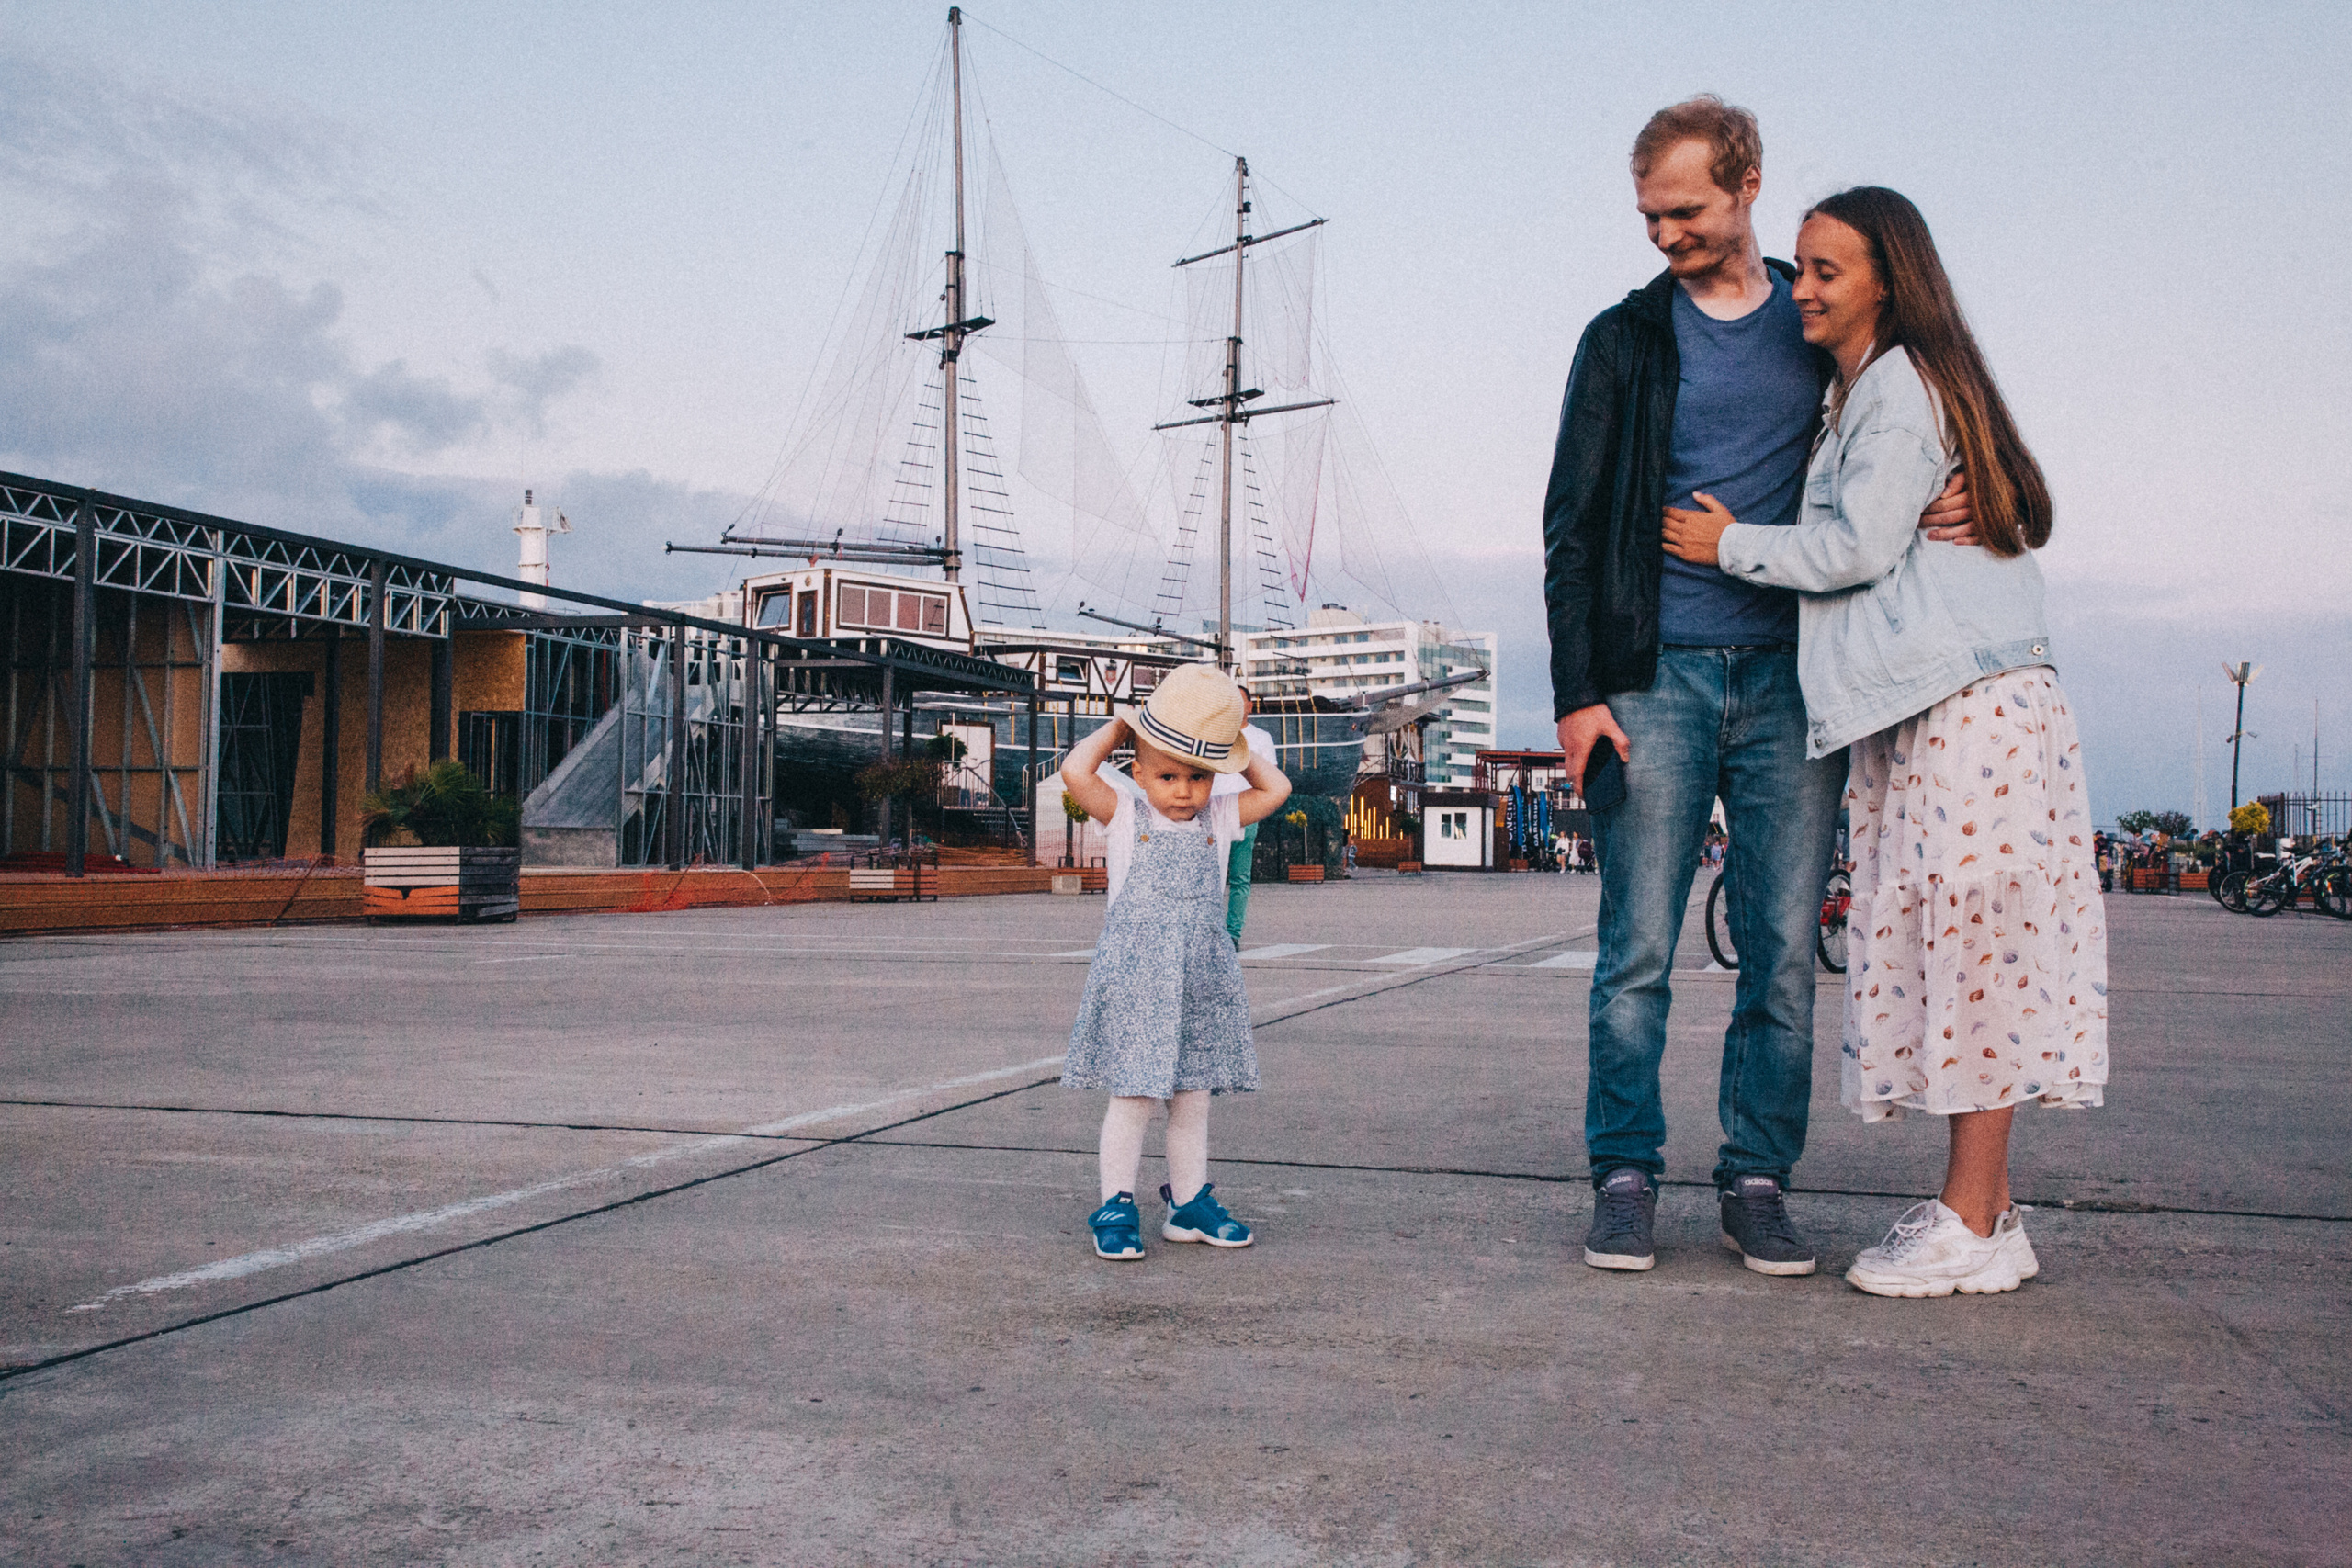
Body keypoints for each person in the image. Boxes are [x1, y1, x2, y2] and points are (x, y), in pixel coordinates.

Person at [1543, 96, 1974, 1277]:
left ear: (1745, 186)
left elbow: (1908, 433)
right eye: (1649, 216)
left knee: (1782, 950)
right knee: (1635, 946)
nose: (1665, 235)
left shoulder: (1825, 318)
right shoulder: (1620, 341)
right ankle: (1623, 1174)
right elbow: (1571, 529)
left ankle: (1757, 1178)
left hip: (1798, 682)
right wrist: (1579, 693)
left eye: (1684, 210)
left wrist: (1964, 497)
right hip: (1654, 678)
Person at [1662, 185, 2109, 1298]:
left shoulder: (1897, 386)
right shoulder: (1871, 388)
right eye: (1799, 268)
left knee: (1975, 956)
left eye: (1824, 272)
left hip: (1968, 710)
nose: (1799, 289)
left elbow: (1856, 547)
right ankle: (1982, 1212)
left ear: (1885, 281)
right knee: (1963, 954)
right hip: (1941, 704)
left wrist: (1728, 547)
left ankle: (1974, 1218)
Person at [1059, 663, 1293, 1261]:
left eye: (1197, 775)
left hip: (1199, 979)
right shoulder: (1126, 815)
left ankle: (1187, 1200)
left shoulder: (1218, 816)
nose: (1183, 790)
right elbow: (1074, 771)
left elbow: (1276, 791)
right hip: (1140, 979)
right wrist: (1120, 726)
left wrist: (1232, 750)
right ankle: (1115, 1202)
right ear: (1138, 773)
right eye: (1167, 775)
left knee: (1192, 1097)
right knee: (1134, 1097)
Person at [1210, 690, 1279, 946]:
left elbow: (1271, 778)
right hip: (1214, 812)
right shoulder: (1214, 734)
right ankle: (1211, 931)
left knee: (1240, 877)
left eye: (1241, 700)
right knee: (1210, 875)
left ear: (1250, 705)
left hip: (1246, 812)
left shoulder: (1261, 738)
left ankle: (1233, 934)